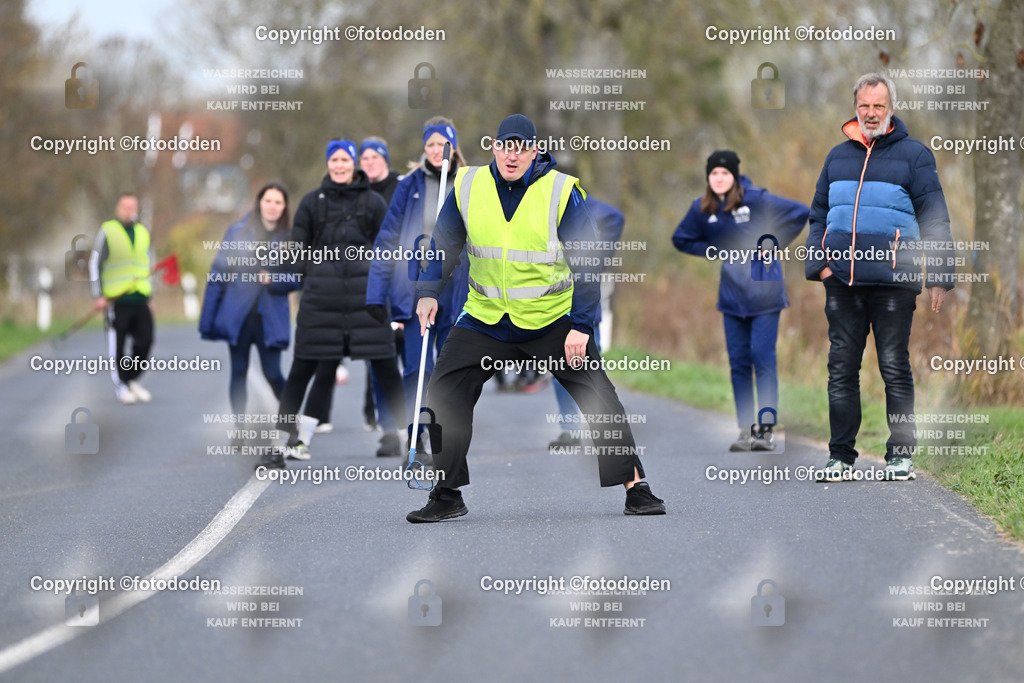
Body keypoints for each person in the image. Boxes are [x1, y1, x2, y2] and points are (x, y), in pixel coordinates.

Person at [406, 114, 665, 522]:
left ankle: (637, 488)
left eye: (521, 147)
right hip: (486, 318)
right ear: (494, 147)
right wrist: (427, 292)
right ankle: (447, 492)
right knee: (444, 390)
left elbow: (588, 262)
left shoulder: (561, 191)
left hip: (551, 318)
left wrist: (581, 325)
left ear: (534, 151)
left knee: (598, 395)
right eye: (505, 146)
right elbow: (444, 244)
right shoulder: (468, 185)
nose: (512, 155)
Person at [805, 73, 954, 482]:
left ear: (891, 108)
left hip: (894, 282)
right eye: (865, 106)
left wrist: (939, 274)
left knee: (893, 366)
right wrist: (821, 265)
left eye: (879, 106)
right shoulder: (836, 157)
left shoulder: (915, 156)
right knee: (841, 369)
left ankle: (901, 456)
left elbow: (935, 218)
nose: (871, 113)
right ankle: (840, 457)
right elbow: (818, 215)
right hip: (843, 282)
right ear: (855, 107)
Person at [257, 140, 407, 469]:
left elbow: (390, 253)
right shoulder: (312, 203)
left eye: (345, 160)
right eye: (334, 160)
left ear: (354, 164)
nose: (339, 165)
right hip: (320, 305)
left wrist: (397, 304)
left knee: (387, 370)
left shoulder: (374, 203)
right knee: (301, 372)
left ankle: (413, 443)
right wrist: (289, 275)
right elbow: (297, 252)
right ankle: (279, 446)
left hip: (367, 304)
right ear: (328, 164)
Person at [672, 151, 809, 451]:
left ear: (734, 176)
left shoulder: (756, 199)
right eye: (714, 173)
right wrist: (716, 249)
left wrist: (772, 244)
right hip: (732, 297)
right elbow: (681, 238)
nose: (719, 178)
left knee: (762, 358)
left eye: (725, 173)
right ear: (708, 178)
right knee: (738, 362)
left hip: (765, 294)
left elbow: (801, 212)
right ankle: (746, 430)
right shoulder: (702, 208)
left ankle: (766, 431)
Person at [366, 117, 469, 458]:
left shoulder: (469, 183)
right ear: (423, 148)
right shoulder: (409, 185)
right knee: (417, 368)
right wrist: (375, 293)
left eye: (442, 144)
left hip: (458, 289)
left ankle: (444, 439)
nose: (437, 150)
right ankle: (417, 437)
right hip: (417, 288)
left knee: (450, 370)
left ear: (453, 148)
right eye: (430, 144)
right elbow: (387, 238)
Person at [313, 137, 402, 445]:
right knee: (353, 353)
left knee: (390, 357)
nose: (369, 162)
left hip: (391, 282)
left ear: (386, 160)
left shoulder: (399, 188)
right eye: (365, 158)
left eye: (375, 157)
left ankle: (404, 423)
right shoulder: (349, 194)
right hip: (354, 287)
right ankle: (372, 419)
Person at [198, 182, 300, 423]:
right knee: (239, 372)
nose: (272, 206)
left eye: (278, 202)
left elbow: (299, 277)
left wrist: (274, 279)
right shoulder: (237, 233)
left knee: (273, 374)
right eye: (268, 201)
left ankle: (291, 422)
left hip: (271, 318)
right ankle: (240, 429)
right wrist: (207, 320)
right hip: (239, 316)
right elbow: (218, 274)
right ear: (259, 203)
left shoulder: (291, 239)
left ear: (284, 207)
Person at [548, 197, 623, 451]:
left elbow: (614, 217)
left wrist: (598, 258)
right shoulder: (536, 200)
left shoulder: (575, 199)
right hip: (551, 302)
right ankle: (569, 429)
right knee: (559, 365)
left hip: (584, 300)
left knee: (591, 364)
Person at [90, 193, 155, 405]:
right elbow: (95, 263)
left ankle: (132, 378)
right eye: (125, 206)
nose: (129, 210)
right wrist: (99, 294)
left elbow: (148, 264)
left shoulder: (143, 232)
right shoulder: (108, 231)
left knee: (146, 340)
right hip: (116, 299)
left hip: (140, 297)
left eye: (132, 206)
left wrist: (150, 295)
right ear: (118, 208)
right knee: (117, 345)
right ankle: (122, 386)